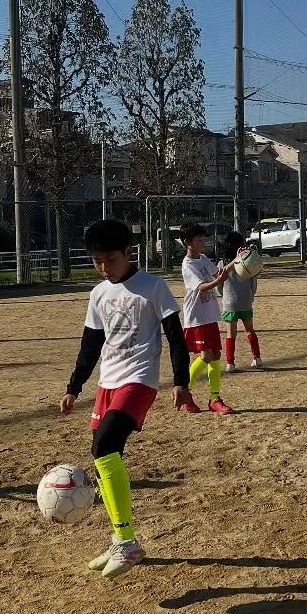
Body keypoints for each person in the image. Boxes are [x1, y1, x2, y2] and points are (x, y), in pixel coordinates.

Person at [61, 219, 191, 578]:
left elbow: (176, 337)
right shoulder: (98, 294)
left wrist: (181, 381)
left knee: (104, 445)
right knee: (103, 455)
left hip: (139, 380)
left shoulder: (152, 287)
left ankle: (127, 542)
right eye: (97, 261)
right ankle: (120, 538)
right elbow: (90, 346)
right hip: (108, 383)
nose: (104, 267)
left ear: (128, 252)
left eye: (111, 259)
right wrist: (74, 387)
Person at [179, 221, 233, 414]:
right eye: (199, 240)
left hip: (209, 315)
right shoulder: (188, 264)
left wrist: (239, 259)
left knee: (216, 355)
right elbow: (202, 287)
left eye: (203, 239)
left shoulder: (202, 258)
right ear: (188, 242)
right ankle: (184, 393)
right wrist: (218, 280)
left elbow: (219, 272)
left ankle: (214, 399)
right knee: (206, 356)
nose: (203, 242)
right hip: (196, 317)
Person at [218, 230, 263, 372]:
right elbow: (253, 282)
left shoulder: (222, 264)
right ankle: (257, 358)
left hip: (229, 303)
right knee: (250, 330)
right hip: (245, 301)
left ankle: (230, 363)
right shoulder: (248, 262)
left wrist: (225, 295)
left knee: (231, 334)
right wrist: (251, 295)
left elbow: (219, 285)